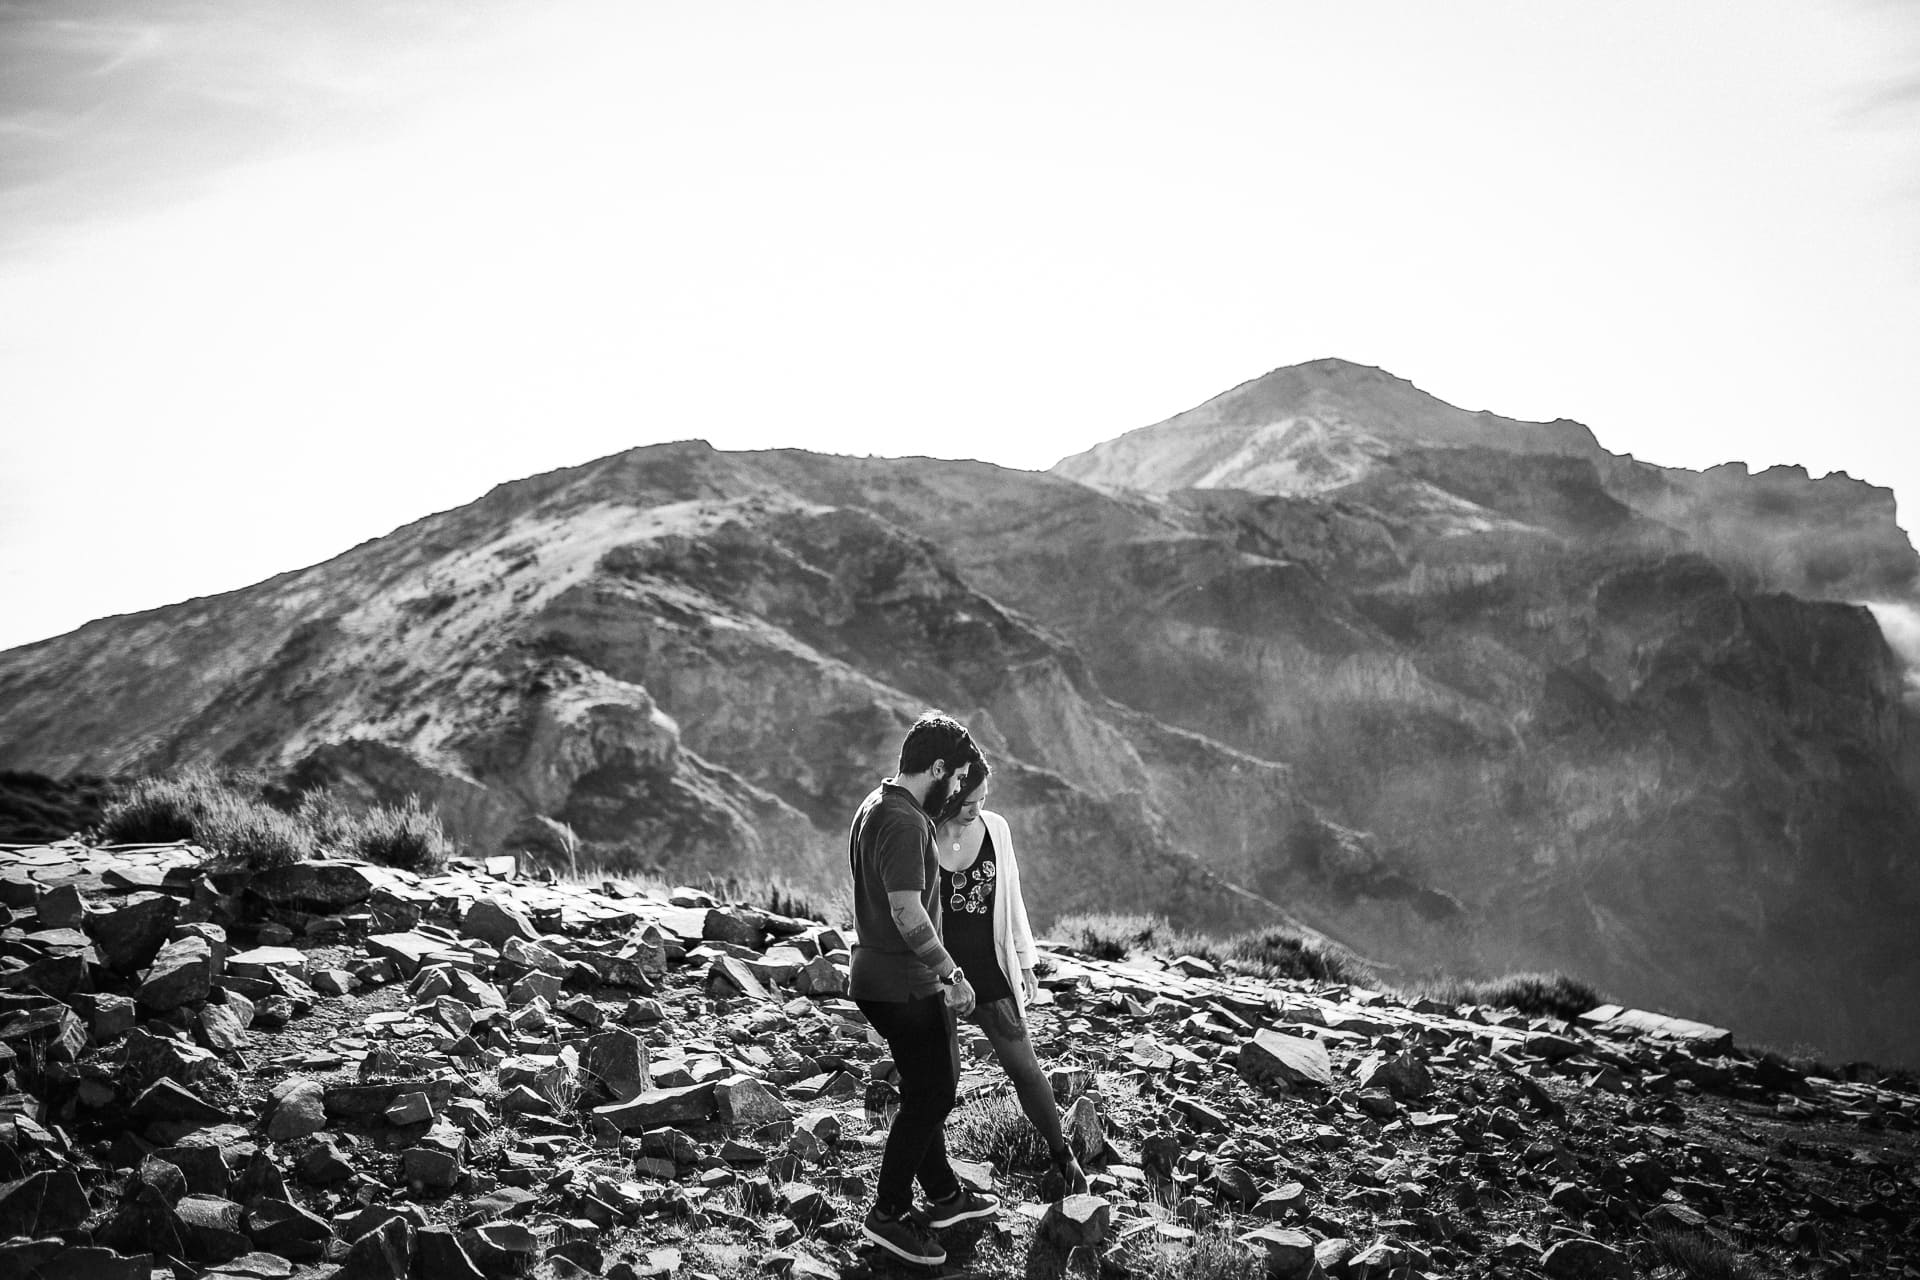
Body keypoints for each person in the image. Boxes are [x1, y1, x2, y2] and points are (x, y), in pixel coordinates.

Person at [849, 710, 1001, 1267]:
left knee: (922, 1087)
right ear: (936, 768)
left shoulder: (877, 803)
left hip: (877, 976)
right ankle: (887, 1215)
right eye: (958, 777)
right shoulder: (908, 822)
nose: (961, 788)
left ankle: (944, 1198)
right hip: (905, 983)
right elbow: (907, 911)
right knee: (934, 1092)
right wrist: (952, 974)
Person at [933, 760, 1090, 1198]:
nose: (976, 809)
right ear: (948, 795)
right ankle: (938, 1172)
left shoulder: (996, 829)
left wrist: (1023, 962)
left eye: (983, 800)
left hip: (988, 968)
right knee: (942, 1077)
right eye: (967, 802)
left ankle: (1064, 1157)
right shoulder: (924, 833)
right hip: (938, 975)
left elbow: (1012, 895)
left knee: (1024, 1065)